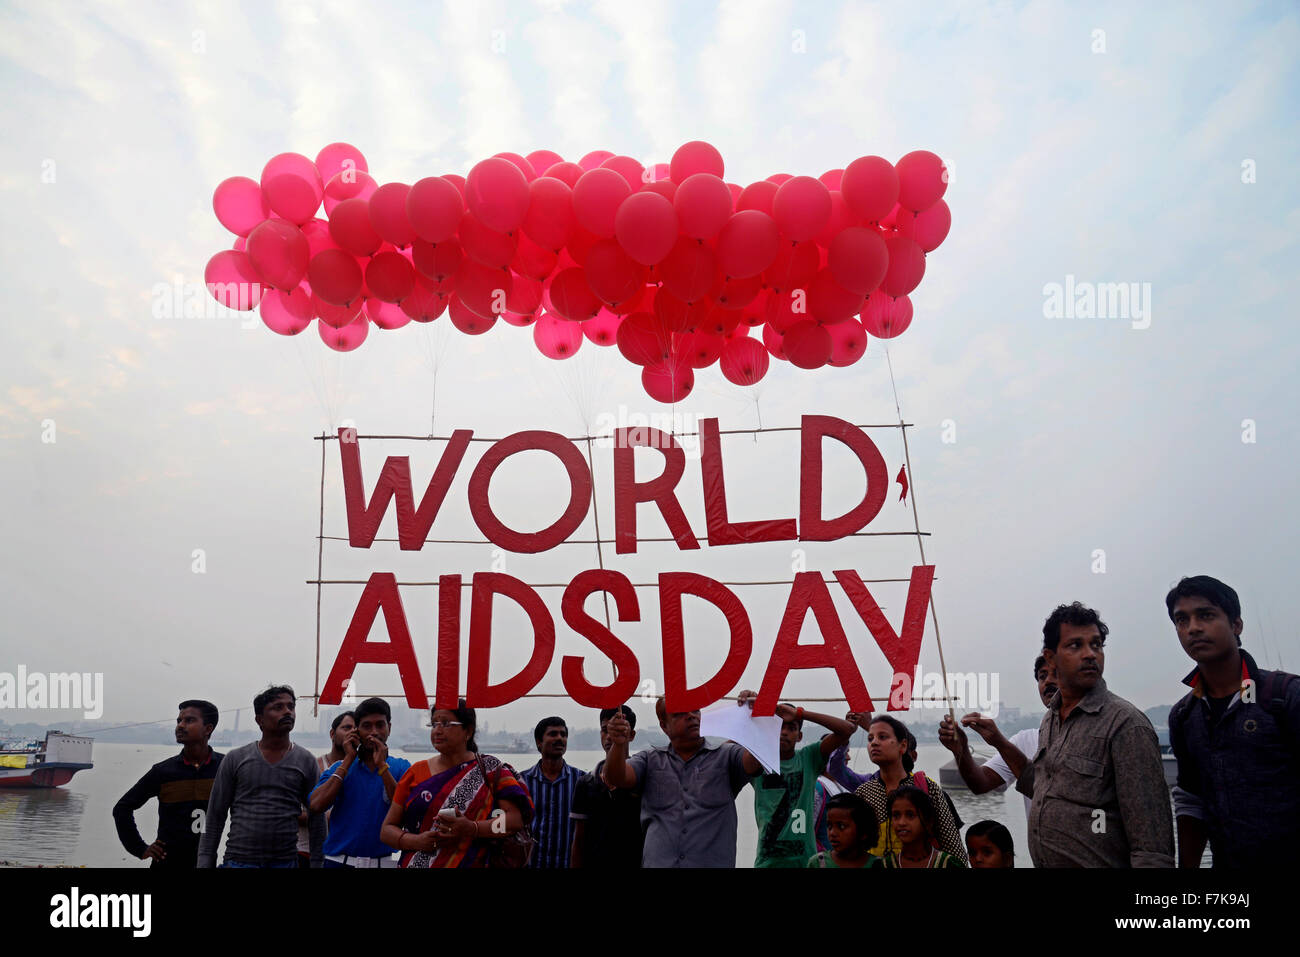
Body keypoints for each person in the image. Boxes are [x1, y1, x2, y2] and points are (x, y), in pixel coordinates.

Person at [1016, 602, 1173, 867]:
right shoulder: (1050, 720)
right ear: (1051, 657)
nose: (1090, 654)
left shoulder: (1126, 725)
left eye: (1096, 645)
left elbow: (1152, 849)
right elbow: (1044, 786)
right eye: (1075, 645)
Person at [1165, 575, 1300, 868]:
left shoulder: (1284, 697)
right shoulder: (1184, 717)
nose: (1193, 628)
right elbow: (1191, 800)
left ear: (1236, 625)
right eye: (1182, 620)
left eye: (1206, 615)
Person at [602, 697, 759, 867]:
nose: (692, 716)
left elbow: (755, 762)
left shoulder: (727, 756)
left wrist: (757, 716)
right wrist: (618, 744)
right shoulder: (649, 760)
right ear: (664, 725)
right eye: (680, 714)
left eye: (696, 711)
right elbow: (616, 777)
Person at [380, 701, 533, 867]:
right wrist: (415, 841)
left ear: (468, 730)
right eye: (434, 724)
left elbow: (515, 821)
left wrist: (473, 828)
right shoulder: (415, 773)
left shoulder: (490, 770)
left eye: (446, 723)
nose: (437, 730)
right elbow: (387, 830)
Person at [197, 685, 324, 868]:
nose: (287, 712)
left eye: (291, 706)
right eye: (278, 707)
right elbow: (215, 817)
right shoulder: (236, 759)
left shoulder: (306, 761)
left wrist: (317, 863)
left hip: (285, 863)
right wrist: (204, 863)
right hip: (239, 862)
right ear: (260, 720)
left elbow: (317, 819)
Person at [736, 690, 857, 867]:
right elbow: (731, 747)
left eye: (791, 728)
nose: (784, 732)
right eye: (778, 726)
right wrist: (754, 713)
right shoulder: (757, 761)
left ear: (799, 736)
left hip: (805, 862)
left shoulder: (808, 758)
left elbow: (847, 729)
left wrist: (800, 713)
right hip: (767, 862)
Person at [828, 713, 967, 864]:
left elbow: (953, 848)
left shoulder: (927, 788)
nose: (874, 743)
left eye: (882, 737)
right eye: (870, 739)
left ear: (903, 745)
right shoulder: (864, 792)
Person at [938, 655, 1058, 814]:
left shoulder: (1090, 736)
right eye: (1042, 676)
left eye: (1056, 674)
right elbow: (980, 783)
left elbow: (1056, 796)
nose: (1048, 681)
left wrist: (999, 742)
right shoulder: (1025, 741)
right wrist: (961, 750)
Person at [113, 700, 223, 869]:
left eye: (189, 720)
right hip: (165, 862)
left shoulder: (225, 768)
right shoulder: (163, 771)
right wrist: (140, 848)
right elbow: (122, 808)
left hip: (206, 861)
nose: (180, 726)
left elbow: (246, 810)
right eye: (179, 721)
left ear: (208, 729)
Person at [309, 697, 410, 868]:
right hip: (338, 862)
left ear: (389, 728)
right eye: (366, 726)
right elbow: (316, 805)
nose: (374, 732)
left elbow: (405, 814)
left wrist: (382, 767)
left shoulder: (402, 767)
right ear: (356, 731)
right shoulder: (340, 768)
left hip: (383, 863)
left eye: (380, 725)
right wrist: (348, 759)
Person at [570, 705, 643, 869]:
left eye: (619, 729)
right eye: (606, 730)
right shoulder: (586, 783)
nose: (610, 736)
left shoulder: (643, 779)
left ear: (631, 735)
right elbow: (579, 840)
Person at [519, 716, 584, 868]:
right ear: (539, 742)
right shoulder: (521, 781)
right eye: (553, 734)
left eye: (563, 734)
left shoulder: (581, 780)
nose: (560, 738)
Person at [294, 710, 355, 865]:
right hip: (307, 852)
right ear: (332, 734)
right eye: (346, 728)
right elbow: (293, 812)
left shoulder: (362, 771)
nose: (351, 733)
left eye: (356, 729)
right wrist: (332, 817)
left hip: (345, 856)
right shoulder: (314, 766)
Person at [880, 784, 965, 868]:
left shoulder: (949, 864)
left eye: (910, 815)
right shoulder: (885, 865)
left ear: (928, 821)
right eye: (896, 815)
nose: (901, 822)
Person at [807, 792, 882, 868]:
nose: (832, 833)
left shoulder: (879, 864)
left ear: (863, 831)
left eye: (841, 826)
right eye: (829, 826)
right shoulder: (818, 863)